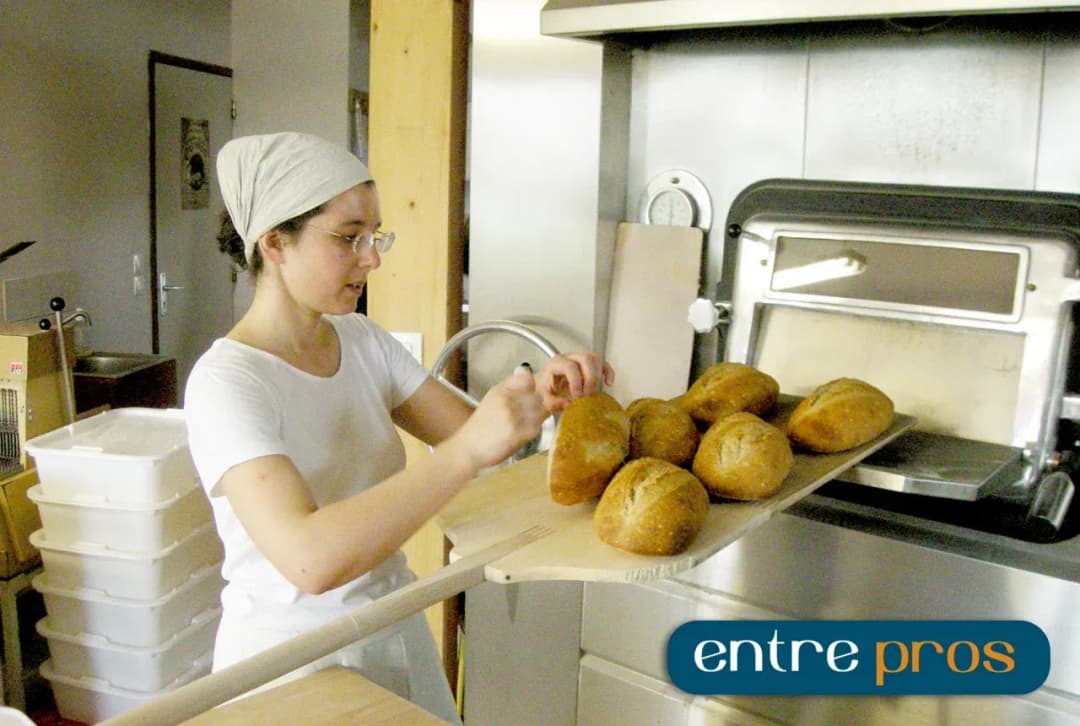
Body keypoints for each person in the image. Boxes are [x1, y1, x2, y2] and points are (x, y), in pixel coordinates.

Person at [184, 131, 613, 723]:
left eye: (374, 236)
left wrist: (541, 395)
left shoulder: (362, 342)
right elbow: (310, 559)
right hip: (291, 667)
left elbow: (476, 437)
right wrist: (466, 450)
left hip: (391, 628)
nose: (372, 257)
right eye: (349, 237)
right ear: (276, 242)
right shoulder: (227, 383)